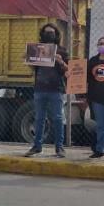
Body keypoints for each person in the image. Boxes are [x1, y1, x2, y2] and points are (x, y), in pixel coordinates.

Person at [24, 23, 68, 158]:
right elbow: (34, 69)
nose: (49, 35)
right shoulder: (37, 49)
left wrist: (61, 61)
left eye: (52, 32)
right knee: (39, 118)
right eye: (47, 32)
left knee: (58, 118)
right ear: (42, 34)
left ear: (56, 35)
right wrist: (30, 60)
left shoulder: (61, 50)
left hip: (56, 89)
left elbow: (69, 70)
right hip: (40, 88)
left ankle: (59, 147)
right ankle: (37, 146)